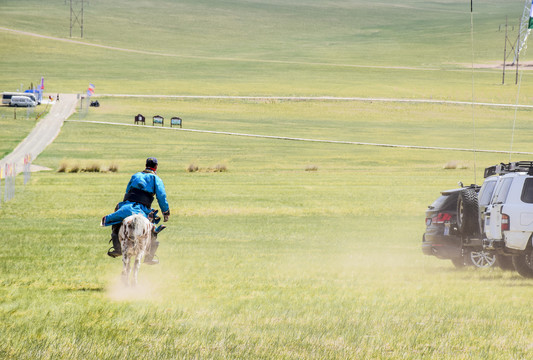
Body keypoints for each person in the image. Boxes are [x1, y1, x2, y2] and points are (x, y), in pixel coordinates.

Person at [101, 157, 170, 264]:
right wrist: (166, 212)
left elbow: (128, 190)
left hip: (127, 207)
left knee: (117, 221)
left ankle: (117, 248)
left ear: (146, 164)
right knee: (152, 228)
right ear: (156, 167)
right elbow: (161, 196)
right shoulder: (156, 179)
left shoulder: (136, 175)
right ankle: (149, 257)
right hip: (142, 210)